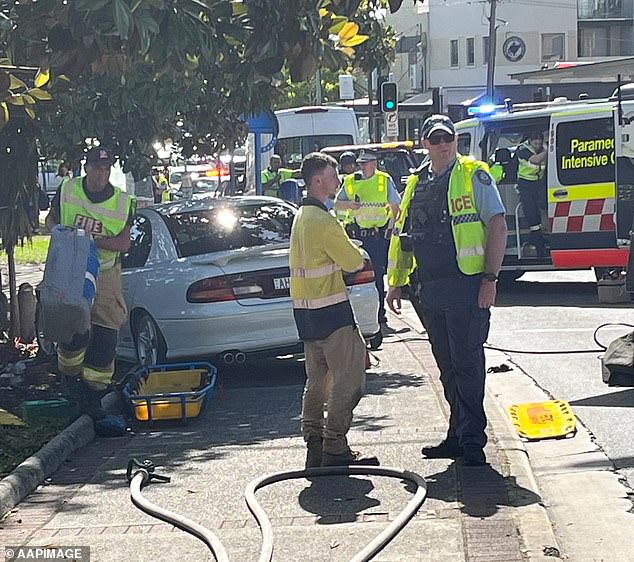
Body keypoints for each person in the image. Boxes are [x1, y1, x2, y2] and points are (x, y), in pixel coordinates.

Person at [386, 115, 507, 466]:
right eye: (436, 138)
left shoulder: (474, 174)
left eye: (448, 138)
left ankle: (472, 442)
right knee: (447, 366)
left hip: (466, 285)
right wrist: (396, 282)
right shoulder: (416, 182)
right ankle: (457, 434)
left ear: (455, 140)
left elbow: (497, 226)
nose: (443, 144)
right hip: (429, 289)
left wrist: (490, 279)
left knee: (467, 363)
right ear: (425, 143)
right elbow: (403, 236)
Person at [290, 152, 379, 469]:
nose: (339, 180)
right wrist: (355, 249)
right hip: (332, 313)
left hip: (307, 317)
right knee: (349, 380)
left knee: (317, 382)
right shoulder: (325, 222)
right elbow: (354, 263)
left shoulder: (301, 218)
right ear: (317, 181)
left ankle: (314, 444)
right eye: (332, 175)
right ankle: (335, 447)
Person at [45, 147, 136, 417]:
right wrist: (59, 233)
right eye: (97, 168)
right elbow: (51, 220)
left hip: (105, 273)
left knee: (106, 331)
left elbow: (123, 242)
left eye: (107, 169)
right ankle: (70, 379)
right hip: (69, 268)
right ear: (87, 168)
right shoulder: (68, 191)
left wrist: (89, 240)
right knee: (71, 324)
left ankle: (94, 394)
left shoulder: (122, 202)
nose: (102, 174)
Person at [334, 150, 400, 327]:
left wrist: (392, 227)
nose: (361, 167)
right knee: (354, 277)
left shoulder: (383, 180)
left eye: (365, 163)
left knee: (377, 276)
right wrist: (349, 205)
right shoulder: (350, 181)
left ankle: (379, 315)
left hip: (376, 236)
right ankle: (354, 315)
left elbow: (396, 206)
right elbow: (336, 204)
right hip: (356, 236)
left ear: (374, 163)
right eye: (360, 163)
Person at [516, 131, 548, 257]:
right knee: (531, 212)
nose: (537, 146)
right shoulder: (523, 149)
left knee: (542, 209)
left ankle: (540, 239)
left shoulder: (540, 148)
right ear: (530, 141)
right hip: (525, 184)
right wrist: (547, 150)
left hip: (538, 182)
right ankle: (537, 242)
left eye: (540, 144)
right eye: (535, 144)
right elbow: (535, 160)